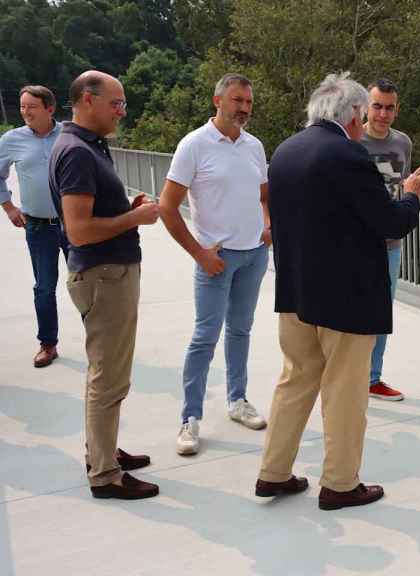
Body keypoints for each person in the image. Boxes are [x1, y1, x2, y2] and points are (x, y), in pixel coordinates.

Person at [255, 72, 420, 510]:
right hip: (345, 298)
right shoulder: (349, 156)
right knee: (345, 392)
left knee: (294, 382)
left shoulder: (285, 151)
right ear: (355, 113)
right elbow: (391, 222)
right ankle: (339, 483)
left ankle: (273, 473)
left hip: (295, 293)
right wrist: (411, 194)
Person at [49, 70, 160, 499]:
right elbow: (79, 230)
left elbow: (92, 213)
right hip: (104, 276)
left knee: (110, 372)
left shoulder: (88, 145)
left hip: (108, 273)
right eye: (116, 103)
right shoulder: (77, 152)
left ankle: (105, 450)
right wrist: (133, 218)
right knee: (108, 376)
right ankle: (105, 474)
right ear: (87, 100)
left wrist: (124, 208)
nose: (122, 111)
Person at [159, 74, 271, 456]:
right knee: (205, 337)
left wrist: (268, 225)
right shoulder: (194, 145)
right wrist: (199, 252)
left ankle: (237, 400)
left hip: (255, 255)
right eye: (237, 100)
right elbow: (167, 207)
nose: (243, 108)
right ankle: (190, 418)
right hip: (216, 259)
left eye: (248, 102)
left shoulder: (254, 146)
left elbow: (263, 194)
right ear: (217, 100)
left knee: (241, 331)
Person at [360, 78, 420, 401]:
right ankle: (344, 378)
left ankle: (372, 378)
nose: (383, 114)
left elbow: (403, 186)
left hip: (390, 245)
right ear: (365, 106)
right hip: (355, 244)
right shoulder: (351, 142)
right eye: (377, 106)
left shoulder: (402, 143)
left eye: (390, 108)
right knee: (348, 312)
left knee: (381, 313)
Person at [0, 85, 68, 367]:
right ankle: (48, 345)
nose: (25, 111)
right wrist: (9, 207)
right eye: (23, 106)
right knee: (44, 288)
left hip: (75, 224)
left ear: (49, 109)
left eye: (32, 106)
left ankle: (100, 344)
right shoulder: (11, 140)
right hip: (38, 226)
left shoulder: (70, 133)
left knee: (89, 285)